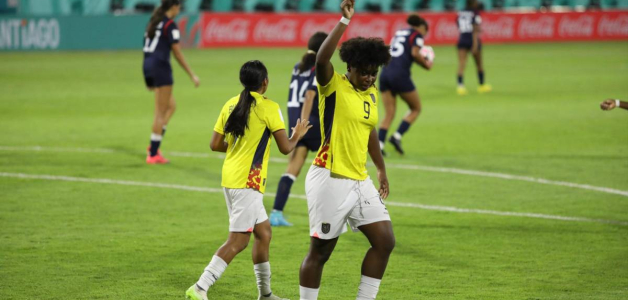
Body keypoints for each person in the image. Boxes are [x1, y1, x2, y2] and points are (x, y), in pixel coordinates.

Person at [185, 60, 311, 300]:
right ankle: (200, 287)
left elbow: (215, 144)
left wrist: (238, 148)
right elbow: (286, 148)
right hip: (249, 182)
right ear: (265, 82)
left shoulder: (231, 103)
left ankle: (265, 295)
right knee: (238, 240)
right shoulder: (269, 108)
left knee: (263, 233)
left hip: (230, 177)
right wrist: (298, 135)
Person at [299, 1, 395, 300]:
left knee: (385, 242)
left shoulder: (372, 93)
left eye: (374, 73)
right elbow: (322, 59)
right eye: (364, 72)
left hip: (359, 178)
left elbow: (369, 133)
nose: (369, 78)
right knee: (321, 253)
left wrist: (380, 167)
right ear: (349, 68)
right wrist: (344, 20)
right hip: (330, 177)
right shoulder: (333, 85)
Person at [270, 31, 328, 227]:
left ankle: (276, 213)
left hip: (295, 124)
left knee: (292, 168)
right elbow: (310, 96)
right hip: (309, 124)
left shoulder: (298, 67)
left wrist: (297, 127)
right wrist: (303, 124)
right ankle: (335, 215)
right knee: (336, 165)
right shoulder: (317, 67)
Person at [143, 0, 200, 164]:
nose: (179, 9)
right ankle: (153, 153)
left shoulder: (154, 22)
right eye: (179, 6)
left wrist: (147, 73)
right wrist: (192, 74)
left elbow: (146, 47)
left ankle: (155, 142)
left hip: (149, 65)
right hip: (161, 68)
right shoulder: (170, 25)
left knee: (170, 106)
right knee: (160, 112)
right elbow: (177, 53)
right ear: (174, 7)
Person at [378, 14, 432, 156]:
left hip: (385, 73)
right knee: (416, 108)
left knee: (389, 113)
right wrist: (426, 64)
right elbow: (415, 53)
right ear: (422, 28)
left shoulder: (399, 32)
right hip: (399, 75)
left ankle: (380, 144)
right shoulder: (417, 35)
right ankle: (397, 136)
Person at [456, 0, 491, 96]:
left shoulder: (461, 12)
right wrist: (475, 44)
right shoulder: (475, 13)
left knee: (462, 63)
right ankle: (481, 85)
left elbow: (458, 25)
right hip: (472, 39)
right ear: (472, 3)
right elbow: (475, 29)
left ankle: (460, 86)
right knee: (479, 63)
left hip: (462, 38)